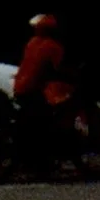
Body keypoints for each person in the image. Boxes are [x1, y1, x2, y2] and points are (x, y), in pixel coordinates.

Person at [12, 13, 75, 162]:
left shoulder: (32, 43)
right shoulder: (53, 46)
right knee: (48, 119)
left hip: (20, 87)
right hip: (32, 89)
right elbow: (56, 68)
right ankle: (42, 157)